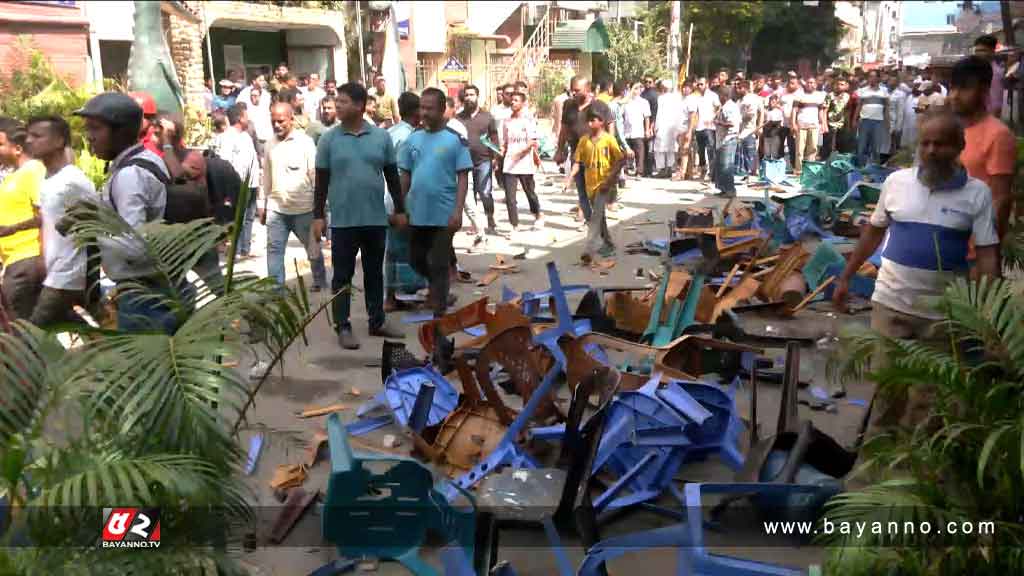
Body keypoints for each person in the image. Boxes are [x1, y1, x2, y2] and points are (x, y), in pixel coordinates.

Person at [833, 110, 999, 431]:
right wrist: (845, 277)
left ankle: (917, 473)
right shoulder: (896, 183)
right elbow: (873, 232)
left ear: (959, 147)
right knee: (887, 393)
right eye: (925, 144)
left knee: (930, 400)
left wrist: (986, 311)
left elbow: (988, 255)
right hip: (891, 305)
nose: (932, 151)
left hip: (944, 317)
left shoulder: (977, 193)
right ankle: (875, 466)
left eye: (941, 144)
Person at [312, 82, 404, 349]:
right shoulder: (329, 139)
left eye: (342, 102)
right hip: (342, 221)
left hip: (375, 219)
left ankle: (377, 321)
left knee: (375, 273)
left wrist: (400, 209)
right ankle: (343, 325)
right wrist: (318, 216)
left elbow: (392, 176)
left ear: (360, 106)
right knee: (342, 276)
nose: (336, 106)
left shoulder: (381, 138)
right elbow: (321, 181)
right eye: (336, 102)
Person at [74, 93, 175, 332]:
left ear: (120, 132)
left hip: (145, 296)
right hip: (151, 290)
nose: (90, 137)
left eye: (96, 129)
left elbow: (137, 246)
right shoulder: (144, 160)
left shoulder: (130, 176)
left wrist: (95, 226)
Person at [398, 87, 473, 318]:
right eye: (422, 107)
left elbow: (463, 177)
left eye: (430, 108)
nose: (425, 112)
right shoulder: (413, 139)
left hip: (444, 213)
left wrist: (458, 212)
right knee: (415, 258)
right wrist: (400, 208)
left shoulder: (455, 141)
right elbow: (405, 175)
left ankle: (439, 311)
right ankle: (438, 287)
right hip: (418, 211)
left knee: (439, 260)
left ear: (442, 110)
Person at [24, 115, 97, 326]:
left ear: (59, 141)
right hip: (54, 270)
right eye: (28, 135)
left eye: (37, 136)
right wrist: (13, 228)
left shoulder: (73, 180)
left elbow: (99, 218)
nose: (29, 140)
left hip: (67, 273)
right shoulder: (48, 179)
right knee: (73, 326)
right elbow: (48, 218)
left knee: (32, 333)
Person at [258, 102, 327, 292]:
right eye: (273, 122)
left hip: (304, 209)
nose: (277, 125)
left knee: (312, 250)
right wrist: (262, 204)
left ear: (291, 120)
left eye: (281, 121)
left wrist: (320, 210)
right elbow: (266, 175)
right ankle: (276, 290)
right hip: (276, 208)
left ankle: (320, 280)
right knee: (273, 251)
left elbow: (315, 175)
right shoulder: (269, 144)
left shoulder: (305, 143)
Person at [948, 55, 1016, 245]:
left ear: (984, 90)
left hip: (972, 249)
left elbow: (1000, 201)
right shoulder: (950, 129)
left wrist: (986, 254)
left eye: (964, 88)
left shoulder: (998, 135)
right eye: (953, 87)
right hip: (944, 241)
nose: (954, 95)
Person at [385, 92, 428, 311]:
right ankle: (407, 292)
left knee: (392, 251)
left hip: (388, 197)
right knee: (405, 248)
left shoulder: (391, 132)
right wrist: (401, 206)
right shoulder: (409, 137)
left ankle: (392, 296)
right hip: (400, 199)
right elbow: (404, 173)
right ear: (416, 112)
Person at [0, 117, 46, 320]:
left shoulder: (34, 170)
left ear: (17, 148)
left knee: (14, 330)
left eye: (0, 144)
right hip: (15, 263)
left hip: (26, 262)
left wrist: (44, 261)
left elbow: (44, 215)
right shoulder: (13, 176)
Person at [565, 108, 624, 264]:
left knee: (595, 217)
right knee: (600, 217)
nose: (590, 123)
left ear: (602, 122)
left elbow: (620, 160)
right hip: (590, 184)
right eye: (588, 120)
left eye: (594, 120)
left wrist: (611, 178)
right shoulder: (584, 141)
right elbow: (577, 161)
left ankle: (588, 250)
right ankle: (609, 243)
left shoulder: (609, 140)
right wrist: (570, 178)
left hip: (604, 184)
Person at [554, 76, 614, 226]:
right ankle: (590, 221)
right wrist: (560, 150)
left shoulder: (600, 106)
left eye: (577, 90)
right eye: (572, 90)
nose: (573, 93)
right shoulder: (568, 105)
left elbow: (611, 126)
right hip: (577, 153)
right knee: (581, 192)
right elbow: (564, 129)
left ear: (587, 90)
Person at [216, 103, 261, 260]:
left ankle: (245, 249)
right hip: (238, 184)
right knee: (238, 218)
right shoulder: (227, 137)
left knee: (249, 217)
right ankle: (234, 251)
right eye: (246, 116)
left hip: (252, 183)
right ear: (240, 118)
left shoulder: (246, 136)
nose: (248, 118)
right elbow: (226, 164)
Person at [454, 84, 500, 235]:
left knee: (485, 192)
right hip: (464, 162)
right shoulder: (458, 119)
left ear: (477, 97)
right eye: (466, 95)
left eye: (472, 95)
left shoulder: (487, 117)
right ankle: (475, 224)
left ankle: (490, 217)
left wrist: (495, 158)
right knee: (469, 194)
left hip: (483, 161)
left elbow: (494, 138)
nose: (469, 98)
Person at [500, 91, 542, 232]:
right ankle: (514, 225)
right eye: (512, 100)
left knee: (530, 193)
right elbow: (505, 141)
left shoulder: (528, 121)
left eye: (516, 100)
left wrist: (520, 153)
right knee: (510, 197)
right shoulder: (506, 121)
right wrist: (502, 150)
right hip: (509, 164)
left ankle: (538, 215)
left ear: (523, 103)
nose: (513, 102)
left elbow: (532, 142)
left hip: (524, 164)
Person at [791, 76, 827, 175]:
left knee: (813, 149)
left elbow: (821, 111)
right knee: (799, 149)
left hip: (814, 125)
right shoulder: (799, 95)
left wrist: (823, 124)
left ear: (815, 84)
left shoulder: (820, 96)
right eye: (808, 82)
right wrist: (793, 123)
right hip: (801, 125)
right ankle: (798, 170)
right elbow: (794, 110)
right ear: (805, 84)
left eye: (812, 83)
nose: (810, 84)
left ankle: (809, 171)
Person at [852, 70, 889, 166]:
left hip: (878, 122)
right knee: (862, 147)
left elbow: (886, 108)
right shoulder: (863, 90)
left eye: (873, 76)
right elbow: (859, 106)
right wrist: (854, 120)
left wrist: (888, 122)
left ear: (878, 78)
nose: (871, 79)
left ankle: (875, 168)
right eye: (870, 76)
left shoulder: (884, 91)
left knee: (876, 148)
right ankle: (861, 168)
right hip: (864, 122)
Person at [652, 80, 686, 178]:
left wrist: (656, 126)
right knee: (670, 148)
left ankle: (662, 169)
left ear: (663, 87)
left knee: (660, 149)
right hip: (673, 126)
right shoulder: (677, 98)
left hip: (663, 125)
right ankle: (670, 168)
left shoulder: (661, 98)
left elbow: (659, 114)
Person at [713, 85, 741, 197]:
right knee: (721, 165)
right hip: (722, 139)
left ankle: (730, 190)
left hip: (728, 139)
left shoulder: (730, 107)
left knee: (726, 166)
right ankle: (723, 188)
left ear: (724, 96)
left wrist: (718, 123)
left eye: (719, 95)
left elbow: (731, 123)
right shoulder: (724, 106)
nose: (718, 98)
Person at [693, 77, 720, 182]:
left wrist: (713, 118)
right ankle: (703, 170)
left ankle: (712, 173)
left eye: (701, 84)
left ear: (707, 84)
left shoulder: (713, 95)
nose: (699, 86)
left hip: (709, 127)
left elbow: (719, 107)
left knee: (710, 150)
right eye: (698, 84)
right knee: (700, 151)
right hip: (699, 127)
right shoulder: (697, 97)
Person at [673, 79, 700, 181]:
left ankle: (682, 173)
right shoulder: (681, 99)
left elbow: (692, 116)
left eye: (687, 87)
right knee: (685, 151)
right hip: (680, 128)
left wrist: (689, 131)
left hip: (686, 128)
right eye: (683, 87)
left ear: (691, 89)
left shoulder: (691, 100)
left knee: (684, 151)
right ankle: (689, 172)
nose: (685, 89)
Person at [623, 82, 651, 177]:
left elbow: (647, 117)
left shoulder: (644, 102)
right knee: (626, 152)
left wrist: (647, 130)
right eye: (634, 88)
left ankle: (639, 172)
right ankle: (625, 170)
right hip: (626, 131)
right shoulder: (626, 101)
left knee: (639, 152)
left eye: (638, 89)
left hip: (638, 130)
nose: (636, 91)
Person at [735, 79, 762, 179]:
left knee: (750, 152)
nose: (738, 89)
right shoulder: (739, 100)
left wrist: (759, 127)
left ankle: (751, 173)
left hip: (749, 129)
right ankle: (745, 173)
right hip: (740, 131)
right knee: (742, 153)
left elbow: (756, 113)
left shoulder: (753, 99)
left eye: (740, 87)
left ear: (745, 88)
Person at [972, 34, 1004, 119]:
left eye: (983, 50)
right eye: (977, 51)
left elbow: (996, 103)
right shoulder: (976, 70)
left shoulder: (995, 73)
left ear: (992, 52)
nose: (979, 54)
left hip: (986, 120)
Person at [821, 76, 851, 158]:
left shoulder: (847, 96)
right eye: (837, 84)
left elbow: (847, 111)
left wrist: (848, 125)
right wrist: (824, 125)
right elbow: (824, 111)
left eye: (842, 84)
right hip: (830, 124)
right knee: (828, 146)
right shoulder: (829, 96)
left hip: (842, 125)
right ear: (834, 85)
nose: (839, 86)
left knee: (841, 146)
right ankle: (824, 163)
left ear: (845, 86)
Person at [882, 73, 907, 161]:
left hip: (892, 121)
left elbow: (900, 111)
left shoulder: (900, 94)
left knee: (891, 144)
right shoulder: (883, 91)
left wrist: (898, 127)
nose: (891, 83)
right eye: (890, 80)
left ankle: (889, 161)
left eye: (894, 81)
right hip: (882, 120)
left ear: (897, 83)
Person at [778, 75, 800, 171]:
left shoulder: (800, 95)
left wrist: (794, 123)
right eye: (789, 83)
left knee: (792, 146)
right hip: (782, 124)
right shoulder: (783, 95)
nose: (790, 85)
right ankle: (780, 166)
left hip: (793, 125)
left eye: (792, 83)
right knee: (780, 145)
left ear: (797, 84)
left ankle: (794, 167)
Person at [762, 94, 785, 161]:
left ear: (777, 103)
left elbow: (778, 123)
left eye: (773, 102)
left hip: (774, 135)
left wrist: (770, 123)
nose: (771, 103)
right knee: (767, 153)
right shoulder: (766, 112)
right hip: (766, 135)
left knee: (774, 153)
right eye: (770, 101)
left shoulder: (778, 112)